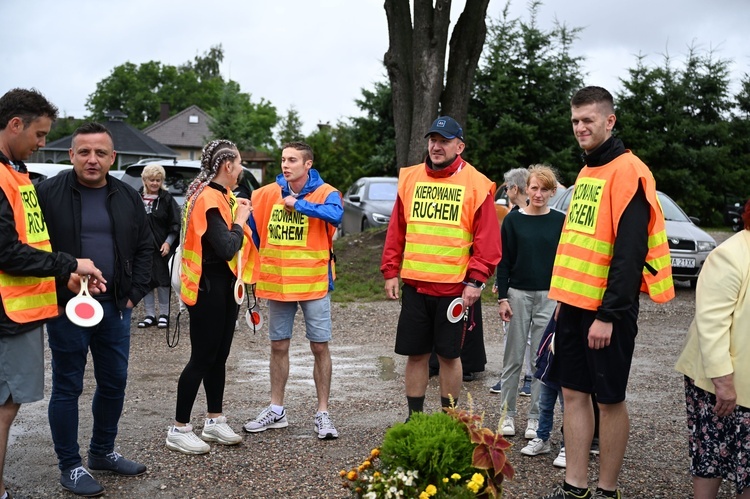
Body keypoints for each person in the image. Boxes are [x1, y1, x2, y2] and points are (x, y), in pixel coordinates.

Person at [542, 86, 674, 499]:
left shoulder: (630, 171)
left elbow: (630, 253)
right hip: (574, 306)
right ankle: (575, 486)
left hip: (606, 312)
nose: (580, 128)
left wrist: (608, 314)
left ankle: (606, 490)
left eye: (588, 121)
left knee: (609, 399)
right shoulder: (586, 172)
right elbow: (579, 244)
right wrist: (564, 302)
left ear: (609, 121)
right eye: (576, 121)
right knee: (574, 393)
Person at [36, 122, 153, 497]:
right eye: (84, 152)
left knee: (114, 382)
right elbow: (32, 250)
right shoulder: (47, 193)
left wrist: (133, 294)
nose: (92, 159)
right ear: (70, 155)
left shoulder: (127, 195)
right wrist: (60, 279)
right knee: (67, 385)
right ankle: (70, 466)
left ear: (112, 157)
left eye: (100, 153)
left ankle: (102, 452)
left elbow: (146, 247)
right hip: (68, 307)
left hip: (115, 307)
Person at [0, 88, 104, 499]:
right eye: (40, 134)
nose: (42, 143)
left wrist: (64, 277)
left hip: (17, 309)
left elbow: (30, 243)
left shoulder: (16, 171)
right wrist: (70, 264)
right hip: (8, 313)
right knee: (6, 407)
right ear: (14, 125)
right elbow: (7, 251)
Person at [381, 116, 501, 419]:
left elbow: (487, 239)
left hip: (454, 290)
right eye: (433, 139)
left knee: (450, 356)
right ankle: (415, 417)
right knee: (416, 354)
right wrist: (390, 270)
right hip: (416, 287)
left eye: (444, 141)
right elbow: (397, 229)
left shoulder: (476, 183)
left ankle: (450, 418)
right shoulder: (410, 178)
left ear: (459, 146)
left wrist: (476, 281)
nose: (436, 146)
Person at [244, 141, 342, 440]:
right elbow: (252, 233)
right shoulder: (265, 194)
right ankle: (276, 410)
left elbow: (335, 215)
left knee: (319, 347)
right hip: (278, 284)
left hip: (314, 284)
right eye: (283, 159)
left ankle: (323, 413)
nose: (286, 165)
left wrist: (298, 204)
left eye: (293, 160)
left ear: (307, 165)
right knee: (278, 346)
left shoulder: (327, 193)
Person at [166, 139, 258, 455]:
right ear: (226, 166)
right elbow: (228, 246)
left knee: (218, 357)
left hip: (224, 285)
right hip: (208, 287)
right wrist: (241, 221)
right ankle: (179, 428)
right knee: (202, 358)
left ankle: (214, 420)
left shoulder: (223, 196)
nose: (242, 167)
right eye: (240, 162)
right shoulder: (208, 198)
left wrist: (239, 211)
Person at [675, 200, 750, 499]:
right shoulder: (731, 255)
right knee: (710, 461)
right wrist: (723, 382)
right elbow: (711, 323)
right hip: (721, 382)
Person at [496, 165, 565, 440]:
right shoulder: (513, 220)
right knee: (512, 358)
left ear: (551, 192)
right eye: (534, 188)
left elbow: (563, 262)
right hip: (517, 294)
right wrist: (502, 297)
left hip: (549, 296)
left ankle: (535, 419)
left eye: (544, 189)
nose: (538, 194)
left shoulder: (560, 221)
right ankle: (507, 414)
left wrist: (562, 298)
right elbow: (504, 261)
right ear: (527, 189)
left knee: (540, 360)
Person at [490, 168, 532, 395]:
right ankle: (509, 377)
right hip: (512, 281)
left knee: (529, 334)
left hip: (531, 284)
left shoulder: (535, 214)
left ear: (515, 189)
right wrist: (501, 280)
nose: (505, 191)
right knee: (510, 332)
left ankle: (529, 376)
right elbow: (504, 253)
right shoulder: (511, 216)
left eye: (507, 187)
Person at [137, 163, 180, 330]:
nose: (154, 183)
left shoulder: (167, 199)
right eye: (151, 180)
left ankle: (164, 314)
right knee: (146, 281)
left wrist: (168, 243)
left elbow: (175, 224)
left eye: (158, 180)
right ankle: (149, 315)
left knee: (163, 281)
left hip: (162, 247)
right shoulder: (137, 198)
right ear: (145, 180)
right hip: (143, 248)